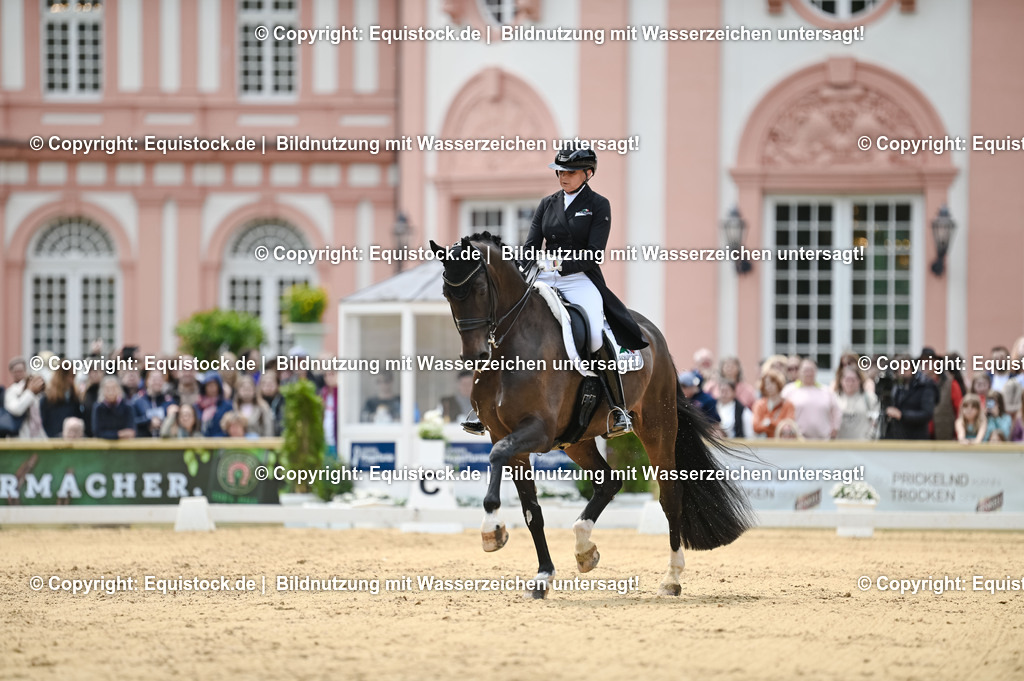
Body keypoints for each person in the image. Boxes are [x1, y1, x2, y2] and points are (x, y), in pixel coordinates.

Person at [463, 145, 648, 438]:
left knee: (595, 332)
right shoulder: (548, 203)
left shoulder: (599, 205)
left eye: (570, 172)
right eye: (559, 171)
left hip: (579, 279)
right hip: (544, 277)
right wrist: (525, 264)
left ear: (588, 173)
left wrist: (559, 263)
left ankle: (617, 408)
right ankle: (481, 405)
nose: (563, 176)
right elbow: (531, 244)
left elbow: (594, 254)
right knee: (505, 323)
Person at [781, 359, 841, 440]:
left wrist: (835, 429)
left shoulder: (826, 391)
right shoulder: (789, 390)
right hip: (797, 440)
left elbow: (836, 412)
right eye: (806, 370)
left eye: (811, 370)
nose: (808, 373)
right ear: (799, 372)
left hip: (823, 440)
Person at [882, 355, 937, 440]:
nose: (902, 371)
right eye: (899, 368)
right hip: (897, 436)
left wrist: (902, 415)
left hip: (916, 438)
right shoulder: (897, 386)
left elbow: (927, 413)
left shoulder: (925, 385)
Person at [4, 357, 47, 439]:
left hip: (38, 434)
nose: (19, 373)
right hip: (20, 435)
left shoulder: (34, 388)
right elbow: (17, 410)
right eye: (16, 371)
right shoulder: (10, 391)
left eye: (21, 370)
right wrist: (30, 392)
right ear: (11, 372)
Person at [39, 363, 83, 438]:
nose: (72, 381)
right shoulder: (48, 399)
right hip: (54, 440)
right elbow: (43, 423)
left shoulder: (73, 397)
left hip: (72, 440)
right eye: (71, 377)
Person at [835, 366, 878, 440]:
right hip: (839, 445)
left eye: (853, 380)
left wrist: (870, 436)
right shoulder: (834, 398)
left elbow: (876, 420)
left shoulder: (870, 398)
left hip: (863, 445)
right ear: (841, 380)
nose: (850, 383)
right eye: (847, 380)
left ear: (860, 380)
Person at [752, 369, 794, 438]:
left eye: (772, 383)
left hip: (783, 445)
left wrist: (768, 423)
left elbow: (788, 427)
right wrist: (777, 424)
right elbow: (756, 427)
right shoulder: (759, 405)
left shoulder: (788, 405)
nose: (769, 386)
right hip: (764, 445)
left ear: (778, 383)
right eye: (766, 384)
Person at [92, 376, 136, 440]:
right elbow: (97, 432)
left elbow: (130, 432)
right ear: (102, 391)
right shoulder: (98, 408)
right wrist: (118, 434)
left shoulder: (128, 407)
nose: (111, 392)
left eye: (113, 388)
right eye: (107, 389)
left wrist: (109, 434)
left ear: (119, 390)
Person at [131, 370, 172, 438]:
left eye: (160, 379)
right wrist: (149, 422)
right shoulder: (137, 401)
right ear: (147, 381)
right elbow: (132, 421)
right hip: (143, 441)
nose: (157, 382)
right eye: (154, 379)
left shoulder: (169, 401)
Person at [197, 373, 233, 437]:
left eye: (214, 385)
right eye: (209, 385)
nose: (212, 388)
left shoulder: (227, 406)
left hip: (222, 442)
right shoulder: (198, 405)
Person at [259, 371, 286, 436]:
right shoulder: (256, 402)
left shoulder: (283, 401)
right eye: (265, 384)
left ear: (278, 385)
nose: (268, 386)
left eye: (271, 383)